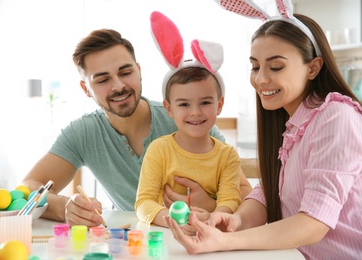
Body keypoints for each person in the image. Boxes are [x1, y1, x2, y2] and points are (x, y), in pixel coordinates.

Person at [164, 1, 362, 259]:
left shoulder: (337, 116)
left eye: (276, 66)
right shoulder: (291, 122)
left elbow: (314, 223)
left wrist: (226, 242)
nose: (260, 79)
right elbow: (269, 194)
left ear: (313, 67)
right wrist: (232, 221)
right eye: (255, 66)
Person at [21, 28, 253, 227]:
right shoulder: (83, 133)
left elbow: (245, 195)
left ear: (139, 71)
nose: (119, 86)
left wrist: (211, 206)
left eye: (125, 72)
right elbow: (28, 187)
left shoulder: (188, 119)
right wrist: (65, 207)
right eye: (103, 80)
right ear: (85, 89)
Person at [135, 64, 241, 228]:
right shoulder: (158, 150)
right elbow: (143, 203)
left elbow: (230, 200)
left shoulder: (228, 156)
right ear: (169, 109)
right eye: (184, 104)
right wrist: (176, 222)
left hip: (210, 235)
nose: (195, 112)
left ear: (219, 105)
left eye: (205, 102)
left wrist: (213, 218)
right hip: (165, 238)